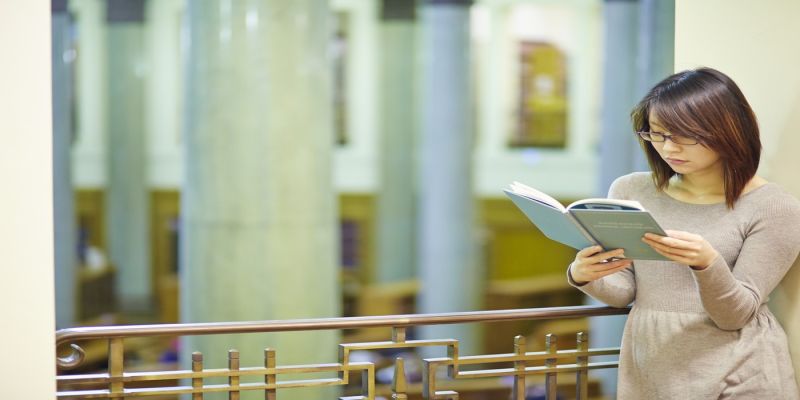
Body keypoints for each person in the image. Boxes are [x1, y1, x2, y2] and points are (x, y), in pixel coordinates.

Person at [568, 67, 800, 399]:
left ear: (728, 129)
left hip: (742, 371)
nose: (668, 147)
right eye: (658, 134)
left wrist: (707, 264)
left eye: (684, 135)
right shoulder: (631, 189)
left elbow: (735, 315)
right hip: (654, 365)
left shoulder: (774, 207)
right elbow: (625, 291)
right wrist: (585, 274)